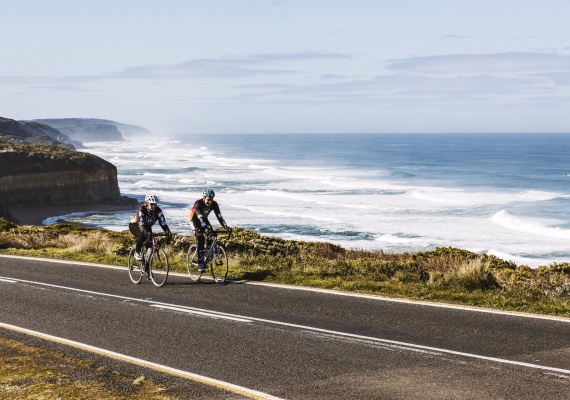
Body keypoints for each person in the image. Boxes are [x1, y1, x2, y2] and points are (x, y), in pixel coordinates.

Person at [189, 188, 231, 271]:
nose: (210, 202)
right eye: (208, 199)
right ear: (204, 198)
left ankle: (206, 257)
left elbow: (219, 216)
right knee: (200, 238)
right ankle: (200, 262)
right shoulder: (198, 203)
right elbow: (200, 218)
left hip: (204, 219)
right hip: (194, 220)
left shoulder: (214, 204)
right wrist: (205, 228)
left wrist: (225, 227)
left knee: (212, 236)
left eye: (212, 199)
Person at [129, 194, 172, 261]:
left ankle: (147, 267)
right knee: (143, 235)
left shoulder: (158, 210)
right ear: (147, 203)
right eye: (151, 204)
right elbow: (141, 224)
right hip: (134, 225)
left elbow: (162, 222)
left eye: (155, 204)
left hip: (146, 226)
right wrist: (146, 233)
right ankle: (137, 252)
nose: (153, 206)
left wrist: (167, 231)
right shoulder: (142, 209)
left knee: (150, 245)